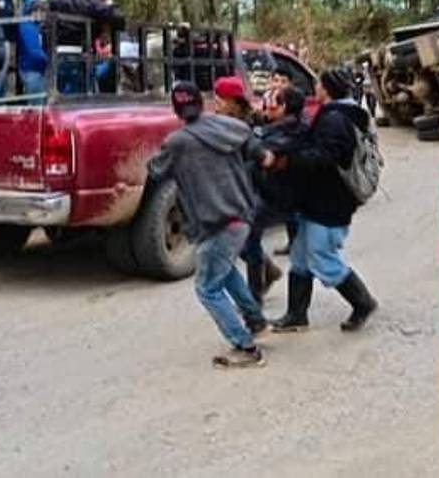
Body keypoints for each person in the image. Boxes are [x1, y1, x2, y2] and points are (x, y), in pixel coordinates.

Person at [145, 81, 272, 368]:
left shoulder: (178, 142)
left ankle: (246, 348)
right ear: (203, 103)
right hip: (241, 217)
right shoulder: (232, 128)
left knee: (207, 288)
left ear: (176, 110)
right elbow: (263, 155)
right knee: (225, 274)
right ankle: (256, 320)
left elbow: (156, 171)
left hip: (215, 222)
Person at [271, 68, 378, 334]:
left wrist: (289, 161)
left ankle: (362, 302)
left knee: (321, 256)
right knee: (300, 257)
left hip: (330, 202)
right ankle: (296, 315)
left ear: (327, 89)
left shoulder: (335, 119)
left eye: (318, 84)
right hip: (318, 200)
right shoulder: (343, 114)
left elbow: (325, 157)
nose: (315, 88)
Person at [241, 85, 307, 301]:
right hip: (273, 195)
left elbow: (263, 151)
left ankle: (256, 294)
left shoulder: (292, 132)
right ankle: (263, 281)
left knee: (318, 261)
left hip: (281, 198)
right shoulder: (279, 127)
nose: (266, 112)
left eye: (272, 107)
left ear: (285, 107)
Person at [49, 0, 125, 93]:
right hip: (79, 56)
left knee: (59, 97)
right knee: (80, 99)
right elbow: (118, 18)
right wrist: (108, 0)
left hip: (56, 55)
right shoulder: (89, 3)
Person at [17, 0, 49, 97]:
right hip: (32, 70)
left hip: (36, 69)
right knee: (37, 104)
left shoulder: (37, 26)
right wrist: (49, 60)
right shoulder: (27, 26)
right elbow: (34, 52)